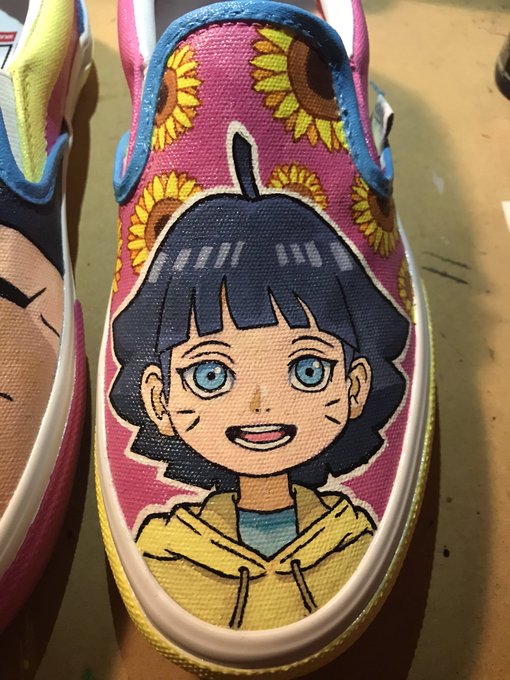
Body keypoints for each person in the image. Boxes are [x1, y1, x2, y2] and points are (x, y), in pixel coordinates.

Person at [110, 130, 409, 630]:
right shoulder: (172, 548)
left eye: (308, 369)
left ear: (356, 384)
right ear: (158, 396)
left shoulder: (347, 533)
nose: (260, 404)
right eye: (210, 375)